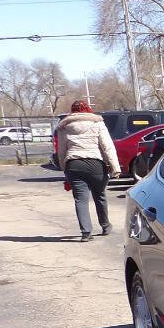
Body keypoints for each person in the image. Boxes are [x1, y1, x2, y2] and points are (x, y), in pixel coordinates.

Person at [55, 100, 121, 241]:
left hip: (74, 164)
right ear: (88, 109)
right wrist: (115, 167)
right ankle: (105, 225)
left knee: (80, 200)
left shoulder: (64, 126)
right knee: (100, 196)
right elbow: (107, 146)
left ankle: (86, 232)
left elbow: (61, 150)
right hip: (96, 163)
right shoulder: (97, 123)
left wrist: (64, 168)